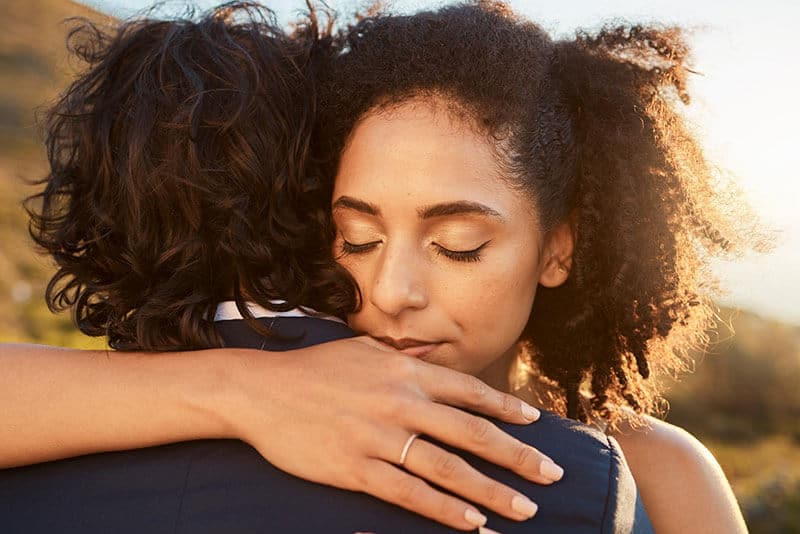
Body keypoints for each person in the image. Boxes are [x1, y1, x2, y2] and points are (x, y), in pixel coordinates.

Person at [0, 3, 653, 533]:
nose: (393, 292)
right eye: (358, 239)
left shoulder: (639, 466)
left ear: (558, 247)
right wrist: (246, 388)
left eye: (458, 244)